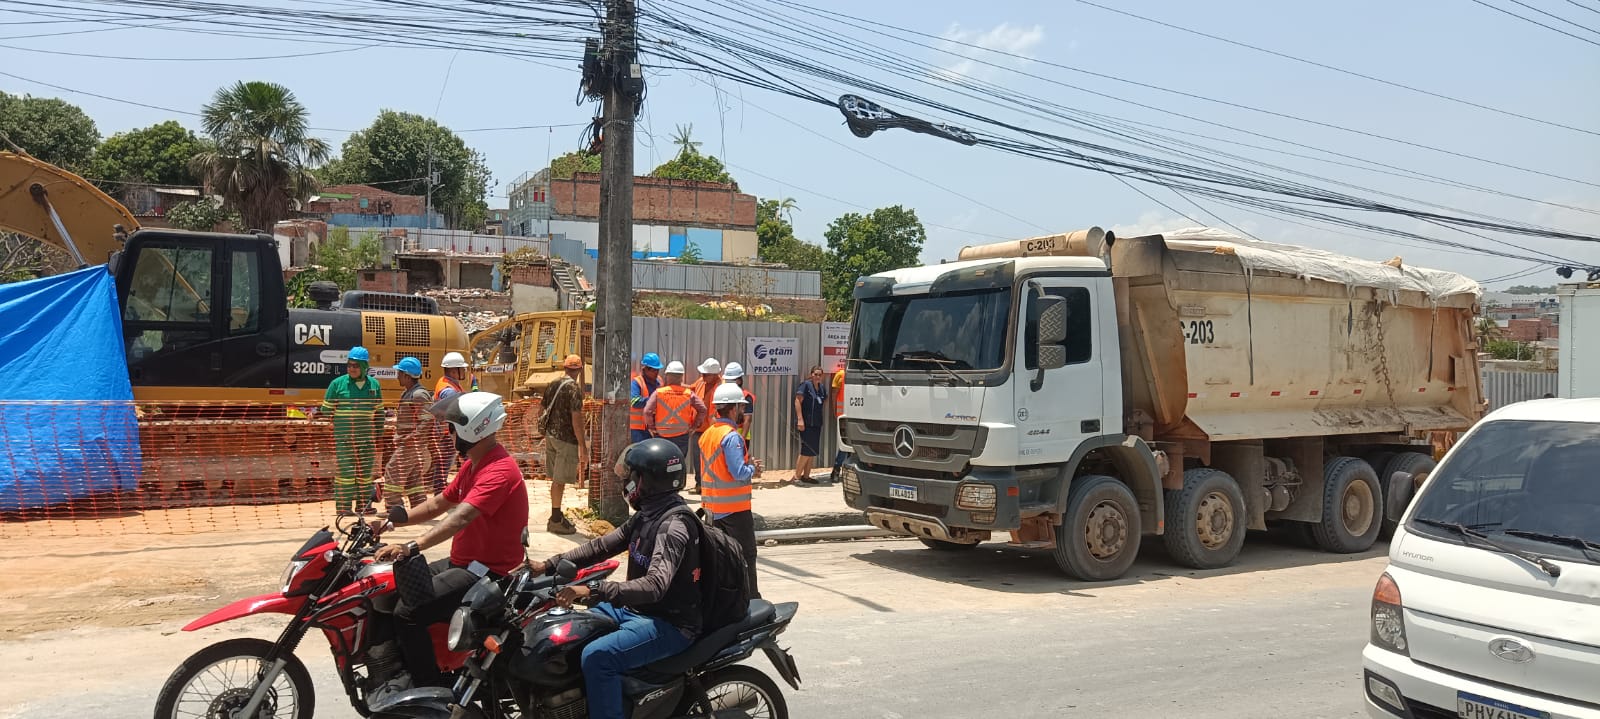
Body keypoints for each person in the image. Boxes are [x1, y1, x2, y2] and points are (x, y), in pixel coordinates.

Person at [526, 439, 702, 719]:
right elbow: (601, 547)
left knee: (598, 656)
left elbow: (655, 586)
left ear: (648, 480)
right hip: (637, 611)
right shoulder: (647, 515)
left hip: (670, 624)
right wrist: (546, 565)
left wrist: (593, 588)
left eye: (631, 477)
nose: (626, 484)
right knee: (569, 630)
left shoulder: (673, 526)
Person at [369, 391, 529, 691]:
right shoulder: (474, 463)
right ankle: (390, 670)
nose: (448, 431)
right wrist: (391, 521)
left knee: (409, 612)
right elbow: (438, 504)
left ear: (474, 428)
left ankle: (426, 688)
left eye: (453, 425)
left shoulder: (499, 471)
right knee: (386, 588)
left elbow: (459, 518)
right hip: (464, 562)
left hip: (486, 572)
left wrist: (411, 546)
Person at [701, 383, 762, 598]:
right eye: (741, 408)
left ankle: (724, 601)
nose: (743, 412)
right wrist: (753, 468)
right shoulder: (731, 436)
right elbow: (738, 473)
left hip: (713, 509)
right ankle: (752, 600)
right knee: (746, 556)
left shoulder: (709, 434)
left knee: (722, 559)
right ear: (733, 408)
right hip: (735, 510)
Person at [321, 346, 384, 516]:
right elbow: (325, 409)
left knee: (365, 475)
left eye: (355, 365)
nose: (351, 369)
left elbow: (379, 412)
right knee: (346, 474)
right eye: (349, 365)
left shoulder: (374, 385)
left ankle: (364, 507)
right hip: (345, 440)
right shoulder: (337, 384)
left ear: (364, 367)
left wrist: (379, 435)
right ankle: (343, 508)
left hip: (367, 440)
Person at [539, 354, 586, 535]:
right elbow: (576, 419)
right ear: (580, 370)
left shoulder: (553, 384)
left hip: (551, 436)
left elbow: (542, 408)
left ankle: (556, 515)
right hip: (566, 439)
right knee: (559, 480)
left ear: (565, 368)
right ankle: (556, 520)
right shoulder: (574, 389)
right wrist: (582, 445)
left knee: (556, 480)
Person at [383, 357, 434, 509]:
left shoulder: (418, 395)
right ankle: (420, 509)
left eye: (399, 373)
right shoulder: (409, 393)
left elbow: (427, 420)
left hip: (410, 445)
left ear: (406, 375)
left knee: (392, 473)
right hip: (410, 444)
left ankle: (394, 509)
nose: (397, 376)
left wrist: (412, 438)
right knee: (414, 480)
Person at [643, 361, 706, 461]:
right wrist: (694, 426)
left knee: (662, 463)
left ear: (667, 376)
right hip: (682, 435)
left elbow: (647, 411)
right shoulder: (689, 394)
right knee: (679, 463)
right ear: (681, 377)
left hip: (662, 435)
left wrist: (651, 428)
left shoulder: (659, 393)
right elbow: (702, 409)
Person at [431, 351, 470, 493]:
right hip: (448, 432)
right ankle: (440, 492)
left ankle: (441, 491)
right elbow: (456, 406)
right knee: (444, 463)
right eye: (462, 369)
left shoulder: (451, 384)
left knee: (446, 462)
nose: (464, 371)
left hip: (450, 431)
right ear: (454, 371)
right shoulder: (447, 389)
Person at [688, 358, 723, 494]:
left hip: (713, 431)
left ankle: (712, 485)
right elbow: (689, 389)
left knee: (713, 459)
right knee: (698, 459)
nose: (702, 376)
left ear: (715, 375)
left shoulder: (721, 387)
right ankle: (700, 484)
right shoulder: (701, 382)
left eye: (705, 374)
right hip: (699, 428)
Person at [792, 365, 827, 484]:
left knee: (812, 450)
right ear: (811, 374)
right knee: (806, 449)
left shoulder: (822, 388)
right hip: (806, 423)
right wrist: (800, 419)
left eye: (820, 375)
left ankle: (806, 476)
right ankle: (797, 477)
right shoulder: (806, 385)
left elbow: (824, 401)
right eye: (815, 374)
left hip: (816, 423)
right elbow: (797, 401)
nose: (817, 377)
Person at [630, 353, 665, 444]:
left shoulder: (659, 381)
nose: (656, 373)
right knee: (640, 453)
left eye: (658, 370)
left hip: (655, 427)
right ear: (645, 369)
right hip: (639, 429)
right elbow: (635, 402)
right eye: (654, 370)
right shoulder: (636, 383)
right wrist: (653, 400)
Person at [723, 362, 755, 448]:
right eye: (727, 380)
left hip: (740, 436)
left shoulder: (746, 396)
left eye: (732, 380)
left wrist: (741, 440)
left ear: (739, 380)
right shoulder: (722, 395)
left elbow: (747, 420)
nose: (729, 382)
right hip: (725, 433)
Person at [829, 366, 846, 484]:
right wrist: (834, 410)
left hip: (857, 414)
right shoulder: (840, 374)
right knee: (845, 444)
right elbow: (834, 394)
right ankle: (836, 469)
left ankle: (849, 472)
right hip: (843, 415)